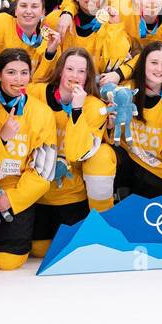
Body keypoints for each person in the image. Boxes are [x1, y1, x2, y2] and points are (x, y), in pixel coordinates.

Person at [0, 49, 60, 269]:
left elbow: (43, 171)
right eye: (11, 72)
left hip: (13, 191)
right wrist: (1, 138)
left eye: (24, 73)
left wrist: (11, 200)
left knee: (8, 261)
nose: (18, 79)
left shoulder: (42, 113)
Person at [33, 48, 117, 253]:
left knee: (104, 154)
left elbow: (75, 152)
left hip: (72, 194)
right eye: (70, 69)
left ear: (88, 75)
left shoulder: (95, 106)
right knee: (38, 250)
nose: (74, 76)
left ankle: (103, 220)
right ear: (60, 70)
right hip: (38, 191)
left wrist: (77, 109)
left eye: (81, 71)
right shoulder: (36, 93)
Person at [112, 42, 162, 200]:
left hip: (157, 172)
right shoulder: (125, 90)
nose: (159, 69)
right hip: (127, 163)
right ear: (143, 63)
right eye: (154, 62)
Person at [0, 0, 61, 81]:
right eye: (23, 6)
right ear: (16, 11)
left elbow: (40, 81)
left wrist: (50, 54)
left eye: (34, 6)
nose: (28, 11)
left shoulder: (49, 38)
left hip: (26, 93)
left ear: (43, 12)